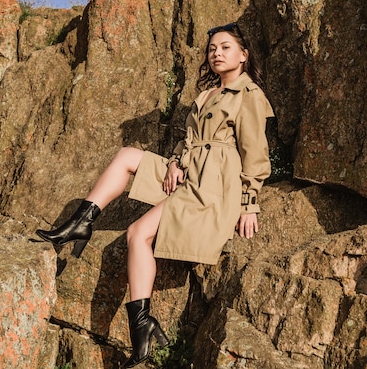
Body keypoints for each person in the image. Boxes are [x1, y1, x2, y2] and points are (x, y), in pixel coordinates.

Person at [36, 22, 274, 368]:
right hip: (190, 172)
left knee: (136, 234)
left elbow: (255, 153)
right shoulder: (207, 95)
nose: (217, 53)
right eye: (212, 49)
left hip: (213, 184)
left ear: (243, 55)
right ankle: (80, 223)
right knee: (126, 156)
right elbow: (188, 141)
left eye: (225, 47)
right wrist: (176, 161)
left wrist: (249, 204)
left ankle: (142, 324)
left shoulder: (248, 95)